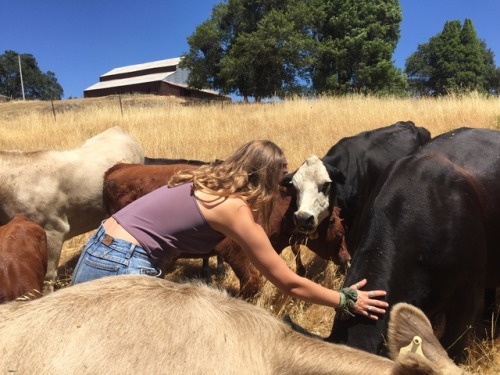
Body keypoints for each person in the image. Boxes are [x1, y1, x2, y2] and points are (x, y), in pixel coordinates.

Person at [71, 140, 388, 320]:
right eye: (283, 177)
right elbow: (288, 282)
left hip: (98, 250)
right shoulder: (233, 209)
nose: (285, 183)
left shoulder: (201, 178)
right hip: (123, 264)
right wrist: (344, 299)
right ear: (265, 179)